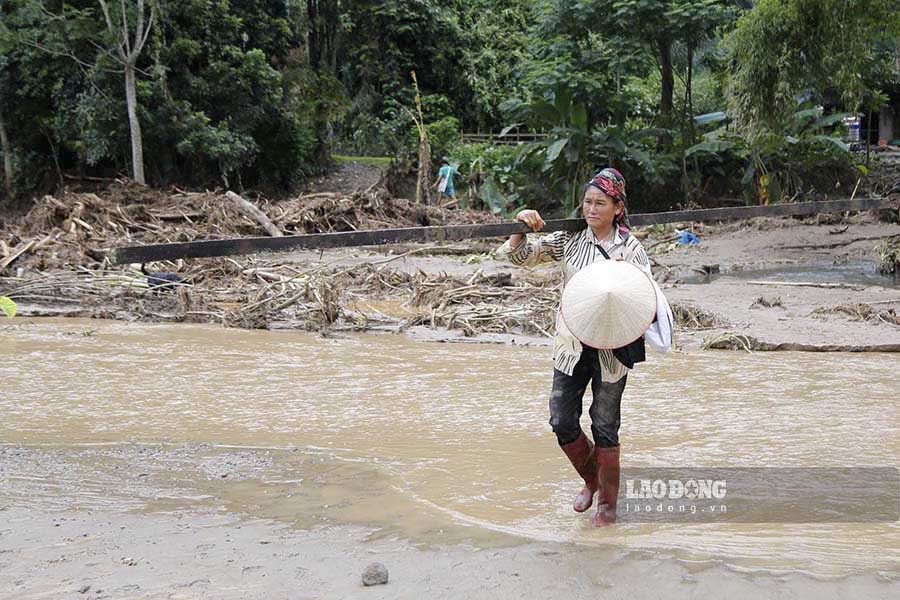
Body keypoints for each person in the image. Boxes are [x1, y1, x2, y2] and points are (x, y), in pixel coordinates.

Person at [498, 167, 672, 527]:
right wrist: (519, 227)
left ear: (617, 208)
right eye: (587, 202)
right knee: (561, 419)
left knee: (605, 425)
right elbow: (521, 258)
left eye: (600, 203)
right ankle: (592, 478)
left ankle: (607, 504)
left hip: (614, 348)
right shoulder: (571, 240)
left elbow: (643, 299)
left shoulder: (632, 251)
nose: (591, 209)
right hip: (572, 344)